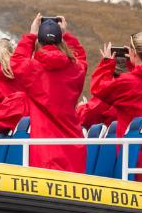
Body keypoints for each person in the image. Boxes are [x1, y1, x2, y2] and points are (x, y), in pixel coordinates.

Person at [81, 32, 142, 184]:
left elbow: (98, 88)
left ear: (133, 52)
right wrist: (132, 64)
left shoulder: (127, 82)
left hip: (136, 154)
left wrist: (106, 63)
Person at [10, 14, 87, 172]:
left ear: (39, 41)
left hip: (44, 148)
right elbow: (82, 59)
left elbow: (16, 60)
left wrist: (31, 35)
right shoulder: (76, 69)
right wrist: (66, 35)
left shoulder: (32, 69)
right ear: (61, 41)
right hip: (73, 145)